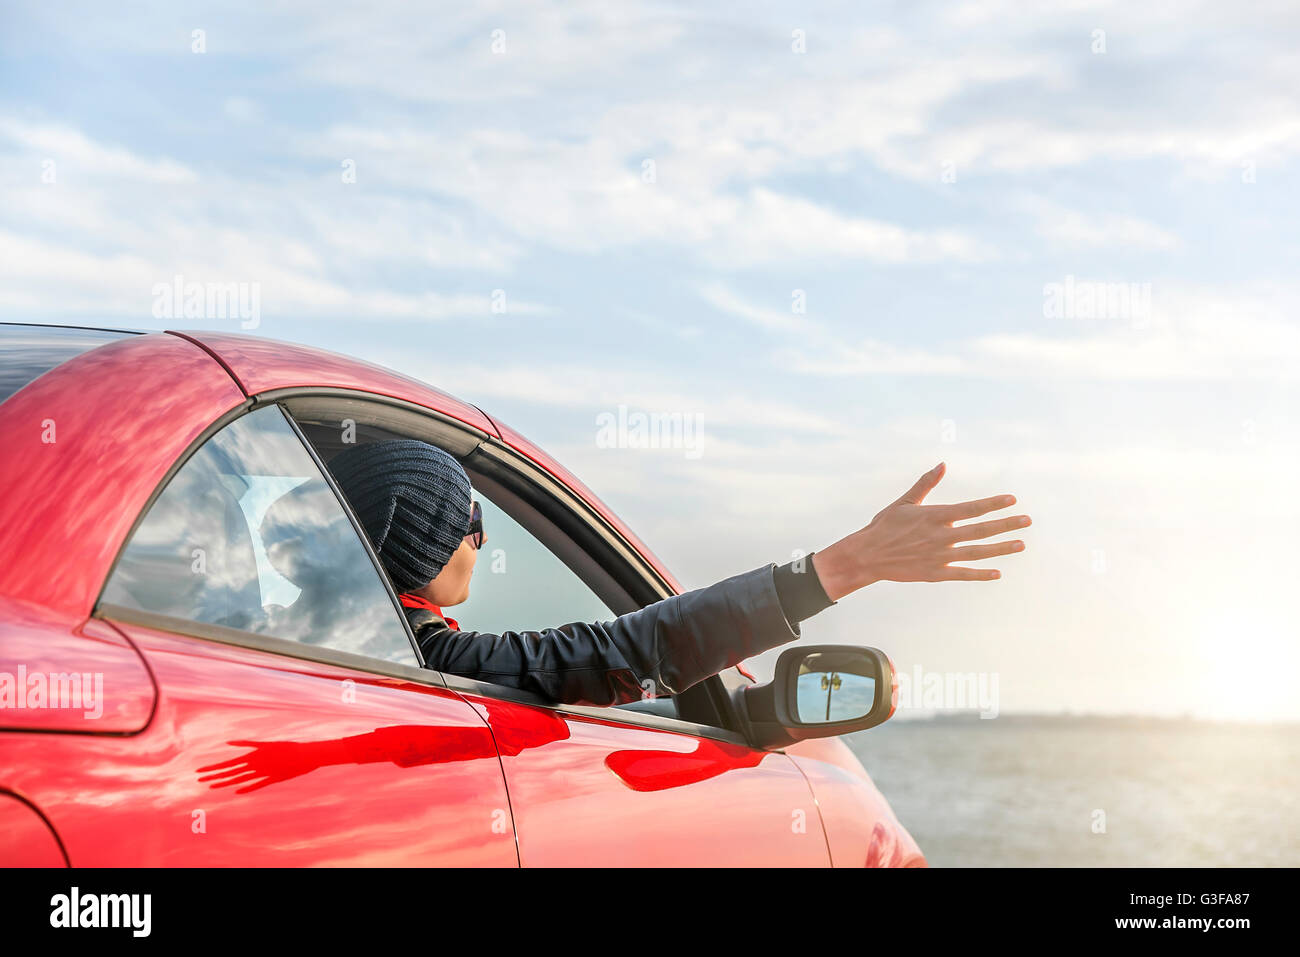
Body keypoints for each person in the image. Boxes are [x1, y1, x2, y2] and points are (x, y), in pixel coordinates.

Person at [327, 440, 1030, 707]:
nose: (481, 537)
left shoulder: (331, 641)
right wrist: (842, 568)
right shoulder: (429, 661)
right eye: (468, 521)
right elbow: (632, 652)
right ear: (420, 544)